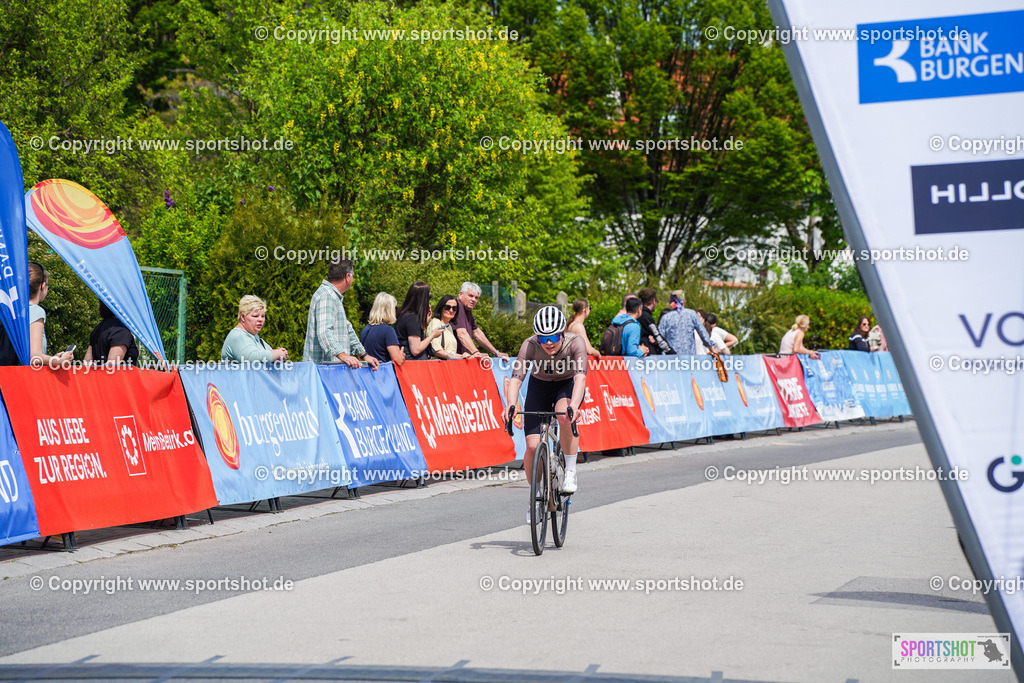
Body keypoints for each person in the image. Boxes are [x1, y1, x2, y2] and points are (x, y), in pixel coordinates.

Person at [505, 305, 587, 496]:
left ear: (563, 333)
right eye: (543, 338)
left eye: (554, 337)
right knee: (532, 447)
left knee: (565, 416)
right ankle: (535, 493)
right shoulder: (530, 345)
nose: (549, 342)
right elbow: (516, 378)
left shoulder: (576, 343)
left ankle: (570, 471)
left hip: (566, 385)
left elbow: (580, 377)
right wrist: (510, 404)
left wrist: (574, 406)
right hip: (539, 386)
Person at [302, 258, 379, 369]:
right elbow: (324, 332)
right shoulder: (327, 296)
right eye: (353, 275)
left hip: (329, 371)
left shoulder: (333, 296)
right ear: (347, 277)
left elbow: (346, 328)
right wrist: (343, 355)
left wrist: (364, 355)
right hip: (322, 372)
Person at [28, 262, 73, 367]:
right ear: (43, 286)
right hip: (23, 377)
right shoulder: (35, 311)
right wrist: (58, 361)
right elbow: (34, 356)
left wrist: (51, 358)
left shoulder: (11, 311)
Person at [219, 295, 287, 363]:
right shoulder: (238, 336)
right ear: (242, 317)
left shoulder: (256, 339)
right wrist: (277, 353)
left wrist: (280, 356)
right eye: (255, 316)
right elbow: (251, 358)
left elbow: (269, 356)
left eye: (263, 316)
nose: (260, 319)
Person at [452, 282, 508, 360]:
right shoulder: (457, 307)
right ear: (461, 295)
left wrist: (496, 353)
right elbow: (462, 333)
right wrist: (476, 353)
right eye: (470, 296)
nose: (473, 300)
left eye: (476, 297)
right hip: (452, 362)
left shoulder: (467, 310)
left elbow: (477, 333)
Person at [395, 281, 445, 360]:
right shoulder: (412, 318)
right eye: (428, 298)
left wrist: (425, 323)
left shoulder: (405, 315)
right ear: (422, 299)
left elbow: (418, 340)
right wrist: (432, 336)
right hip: (412, 365)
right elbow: (416, 349)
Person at [658, 290, 717, 356]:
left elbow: (660, 338)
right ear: (684, 300)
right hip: (688, 358)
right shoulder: (691, 314)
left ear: (671, 301)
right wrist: (710, 345)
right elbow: (702, 333)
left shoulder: (666, 318)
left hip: (670, 358)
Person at [85, 302, 140, 366]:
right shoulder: (120, 330)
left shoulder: (99, 328)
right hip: (119, 375)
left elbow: (86, 363)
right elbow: (112, 365)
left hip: (97, 375)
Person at [360, 292, 404, 364]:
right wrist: (401, 355)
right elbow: (398, 360)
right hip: (382, 372)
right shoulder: (388, 330)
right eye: (394, 308)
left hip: (367, 372)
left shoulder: (365, 330)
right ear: (390, 310)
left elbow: (360, 356)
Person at [426, 295, 470, 360]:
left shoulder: (448, 326)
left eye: (454, 308)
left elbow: (449, 352)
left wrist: (463, 356)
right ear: (441, 308)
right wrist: (457, 357)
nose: (451, 310)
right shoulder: (435, 323)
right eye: (447, 307)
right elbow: (436, 350)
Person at [636, 288, 673, 355]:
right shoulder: (646, 317)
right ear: (653, 301)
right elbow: (658, 336)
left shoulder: (638, 314)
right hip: (647, 355)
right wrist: (672, 354)